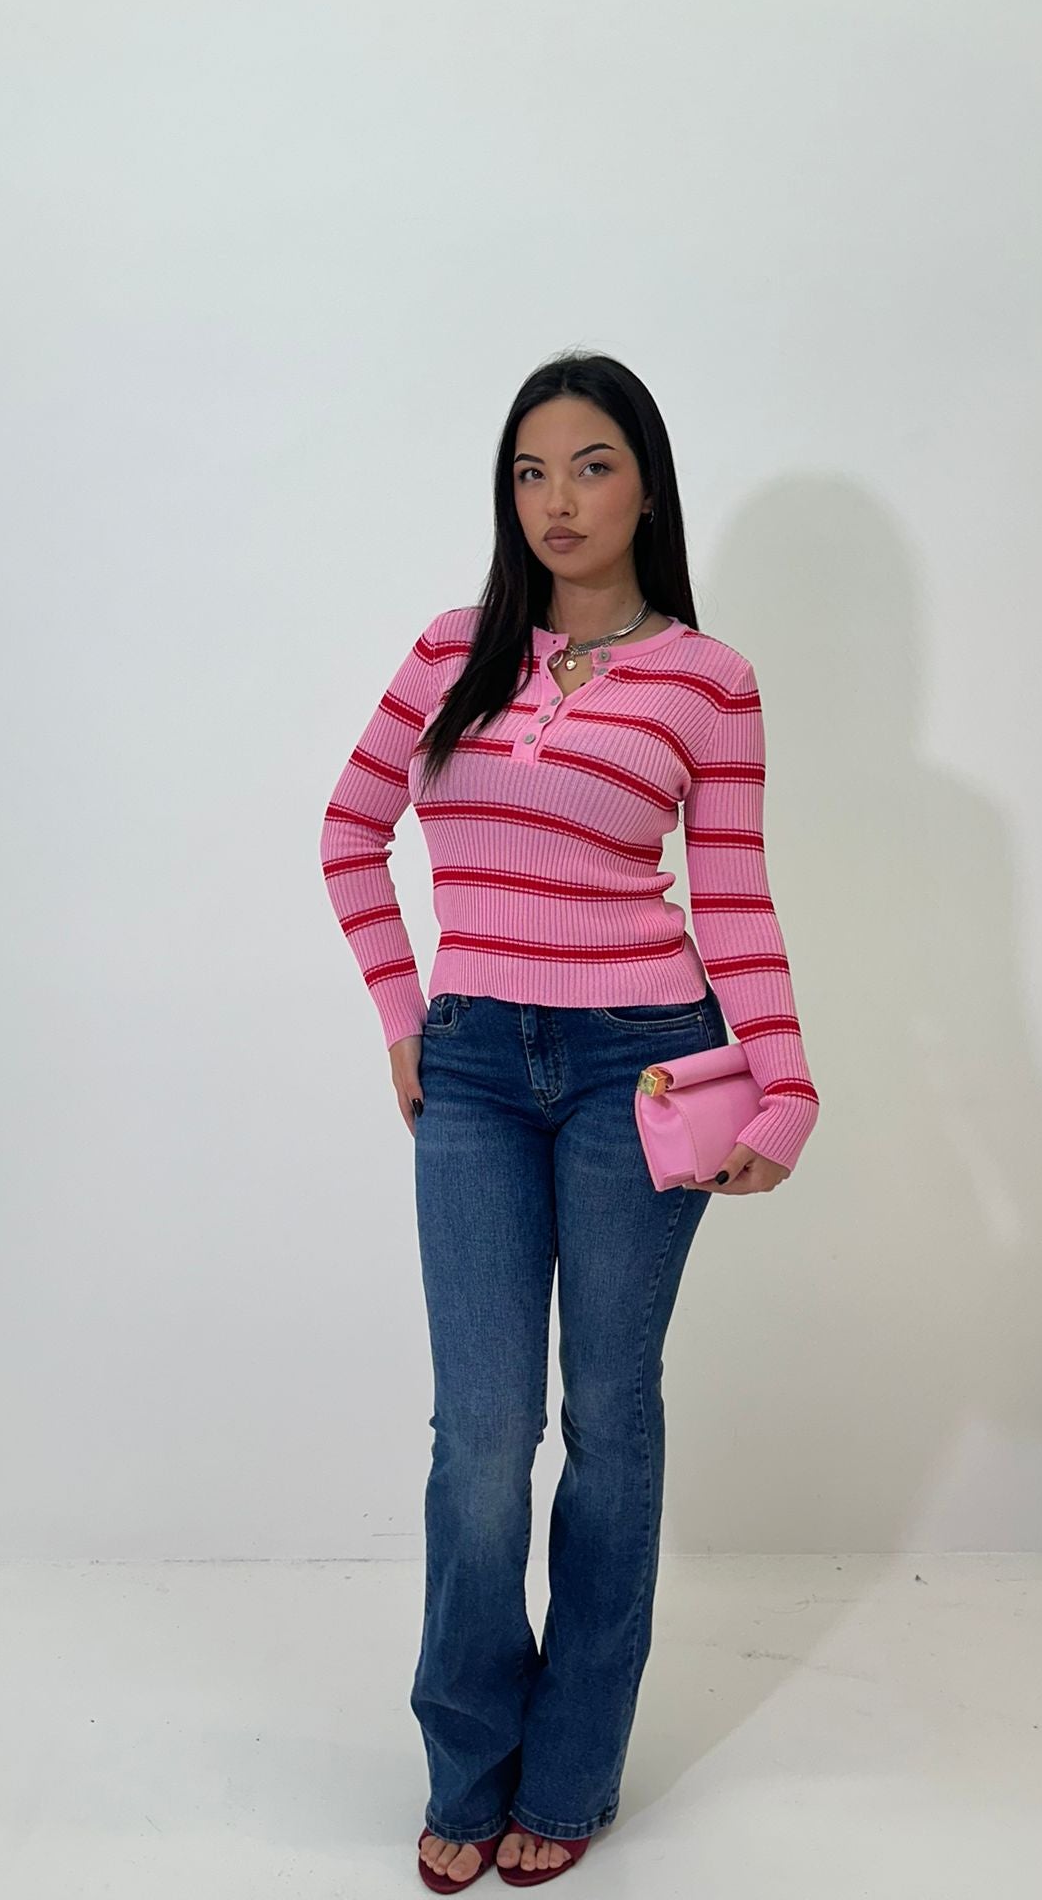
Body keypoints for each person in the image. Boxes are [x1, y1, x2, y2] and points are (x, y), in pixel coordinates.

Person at [319, 351, 820, 1890]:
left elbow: (733, 898)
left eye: (592, 466)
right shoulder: (452, 650)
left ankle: (576, 1768)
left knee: (610, 1420)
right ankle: (467, 1769)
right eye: (531, 471)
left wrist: (788, 1084)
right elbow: (350, 833)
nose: (559, 499)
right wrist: (405, 1015)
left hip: (641, 1073)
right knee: (481, 1437)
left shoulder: (709, 679)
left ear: (646, 485)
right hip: (473, 1070)